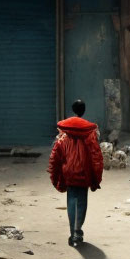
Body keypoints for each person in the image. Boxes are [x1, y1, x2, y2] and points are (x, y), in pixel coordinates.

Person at [47, 99, 104, 247]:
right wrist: (96, 177)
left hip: (69, 174)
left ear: (73, 110)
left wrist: (55, 177)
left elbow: (55, 158)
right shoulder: (90, 134)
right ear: (83, 111)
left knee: (71, 201)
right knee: (82, 202)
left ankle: (73, 232)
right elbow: (96, 156)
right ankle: (78, 230)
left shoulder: (63, 137)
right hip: (84, 174)